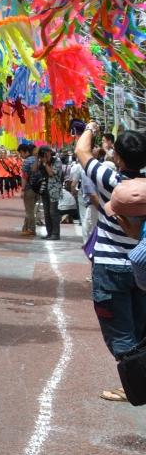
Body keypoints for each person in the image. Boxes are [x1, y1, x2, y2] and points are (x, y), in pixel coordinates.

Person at [75, 120, 146, 402]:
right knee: (141, 329)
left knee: (120, 332)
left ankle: (134, 386)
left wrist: (90, 128)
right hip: (142, 264)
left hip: (111, 266)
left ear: (117, 156)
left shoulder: (109, 179)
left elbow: (81, 151)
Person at [29, 147, 63, 241]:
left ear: (49, 152)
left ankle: (55, 234)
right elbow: (33, 170)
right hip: (44, 190)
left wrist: (45, 163)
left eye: (46, 153)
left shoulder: (57, 161)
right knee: (47, 213)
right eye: (43, 154)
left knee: (53, 212)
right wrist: (37, 159)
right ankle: (49, 233)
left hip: (54, 190)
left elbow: (51, 173)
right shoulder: (41, 161)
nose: (45, 155)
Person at [19, 142, 39, 236]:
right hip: (38, 188)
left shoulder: (27, 161)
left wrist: (23, 190)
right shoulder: (38, 160)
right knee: (31, 209)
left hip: (29, 188)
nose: (20, 155)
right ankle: (26, 227)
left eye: (21, 153)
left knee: (29, 211)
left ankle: (31, 229)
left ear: (26, 152)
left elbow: (24, 176)